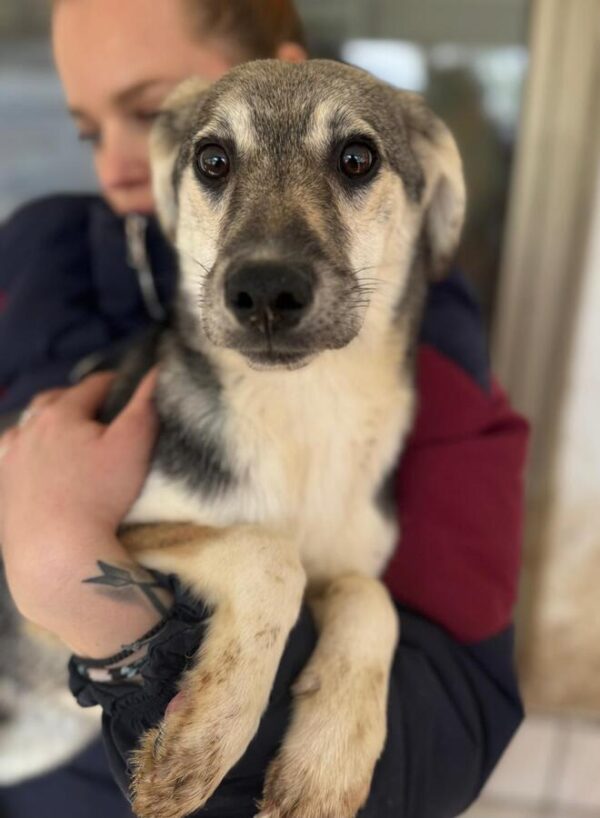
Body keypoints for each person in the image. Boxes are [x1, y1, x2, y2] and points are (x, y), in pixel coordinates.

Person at [0, 1, 530, 816]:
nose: (120, 166)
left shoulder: (441, 357)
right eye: (213, 160)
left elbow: (457, 719)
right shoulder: (39, 251)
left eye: (150, 111)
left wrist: (67, 567)